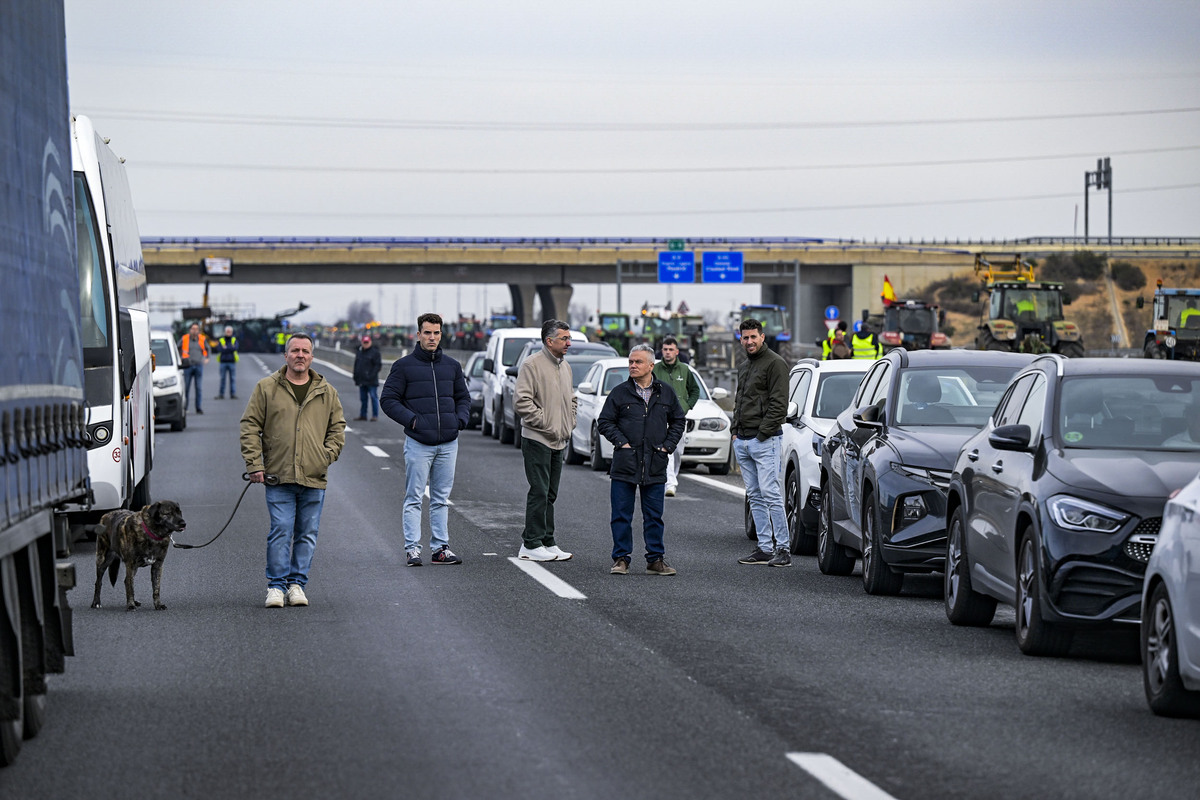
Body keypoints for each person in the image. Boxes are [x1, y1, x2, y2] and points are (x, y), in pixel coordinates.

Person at [240, 333, 346, 608]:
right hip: (278, 476)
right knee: (281, 530)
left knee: (307, 533)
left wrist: (326, 456)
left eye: (306, 351)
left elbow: (337, 428)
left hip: (314, 476)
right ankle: (276, 587)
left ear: (312, 356)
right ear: (285, 355)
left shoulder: (326, 391)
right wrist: (255, 464)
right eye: (295, 350)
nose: (300, 355)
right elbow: (250, 426)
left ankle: (297, 584)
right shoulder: (266, 388)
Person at [380, 313, 470, 566]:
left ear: (442, 335)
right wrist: (413, 421)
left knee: (441, 498)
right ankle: (412, 549)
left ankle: (441, 548)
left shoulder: (451, 366)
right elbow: (388, 400)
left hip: (448, 443)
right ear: (418, 335)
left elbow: (463, 397)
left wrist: (460, 420)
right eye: (427, 333)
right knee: (414, 497)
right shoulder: (403, 366)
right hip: (419, 443)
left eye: (436, 333)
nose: (432, 337)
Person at [599, 345, 686, 575]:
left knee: (654, 516)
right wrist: (622, 443)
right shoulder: (619, 393)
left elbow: (678, 420)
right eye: (630, 362)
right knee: (621, 514)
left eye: (638, 362)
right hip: (625, 462)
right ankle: (621, 559)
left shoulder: (665, 392)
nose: (632, 366)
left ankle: (655, 560)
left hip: (656, 462)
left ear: (650, 365)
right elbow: (605, 422)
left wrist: (667, 446)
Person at [513, 319, 577, 562]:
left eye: (568, 338)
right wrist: (547, 424)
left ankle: (547, 541)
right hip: (537, 438)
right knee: (539, 491)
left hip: (559, 439)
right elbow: (521, 402)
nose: (568, 343)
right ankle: (530, 544)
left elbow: (572, 398)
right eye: (564, 338)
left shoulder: (565, 366)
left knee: (551, 493)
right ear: (549, 341)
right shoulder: (532, 365)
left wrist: (569, 422)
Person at [731, 318, 792, 567]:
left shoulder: (776, 363)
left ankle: (784, 549)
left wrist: (762, 434)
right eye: (745, 338)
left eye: (753, 337)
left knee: (771, 494)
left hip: (764, 440)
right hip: (743, 439)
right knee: (755, 495)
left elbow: (780, 404)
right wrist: (735, 431)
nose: (749, 341)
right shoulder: (744, 366)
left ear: (762, 337)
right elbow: (739, 400)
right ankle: (765, 548)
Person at [652, 335, 700, 497]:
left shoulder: (685, 370)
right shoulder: (655, 369)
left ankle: (673, 475)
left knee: (677, 450)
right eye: (665, 349)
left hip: (679, 418)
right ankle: (670, 483)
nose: (667, 353)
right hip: (661, 418)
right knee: (668, 449)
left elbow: (695, 390)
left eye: (671, 350)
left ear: (677, 352)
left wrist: (686, 406)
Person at [180, 322, 209, 414]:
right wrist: (180, 359)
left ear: (199, 330)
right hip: (187, 366)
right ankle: (185, 408)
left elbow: (208, 349)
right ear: (190, 330)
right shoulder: (184, 339)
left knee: (198, 388)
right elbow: (177, 348)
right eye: (193, 329)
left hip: (198, 365)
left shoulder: (202, 339)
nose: (195, 331)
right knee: (186, 388)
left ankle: (198, 407)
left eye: (196, 329)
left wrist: (207, 358)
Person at [353, 334, 383, 421]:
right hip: (361, 380)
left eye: (367, 342)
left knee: (373, 397)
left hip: (371, 380)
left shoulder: (375, 353)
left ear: (370, 342)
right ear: (362, 342)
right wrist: (355, 376)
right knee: (363, 399)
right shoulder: (359, 352)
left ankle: (375, 415)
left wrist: (370, 376)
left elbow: (378, 366)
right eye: (364, 342)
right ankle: (363, 415)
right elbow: (356, 365)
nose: (365, 344)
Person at [213, 325, 239, 399]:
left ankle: (233, 394)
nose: (228, 333)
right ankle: (221, 394)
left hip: (232, 362)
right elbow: (220, 349)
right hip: (223, 362)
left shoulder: (234, 339)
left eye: (229, 331)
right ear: (225, 332)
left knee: (232, 379)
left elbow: (235, 348)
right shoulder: (221, 340)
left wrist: (226, 348)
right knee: (222, 379)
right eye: (227, 331)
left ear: (231, 332)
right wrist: (230, 348)